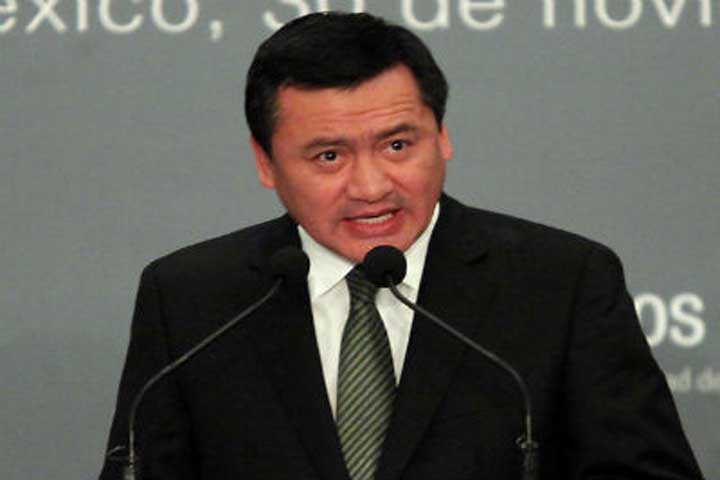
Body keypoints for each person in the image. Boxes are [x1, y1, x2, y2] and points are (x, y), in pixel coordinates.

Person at [99, 11, 704, 480]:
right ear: (265, 162)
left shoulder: (562, 283)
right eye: (328, 156)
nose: (370, 187)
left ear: (442, 136)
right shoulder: (192, 300)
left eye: (397, 145)